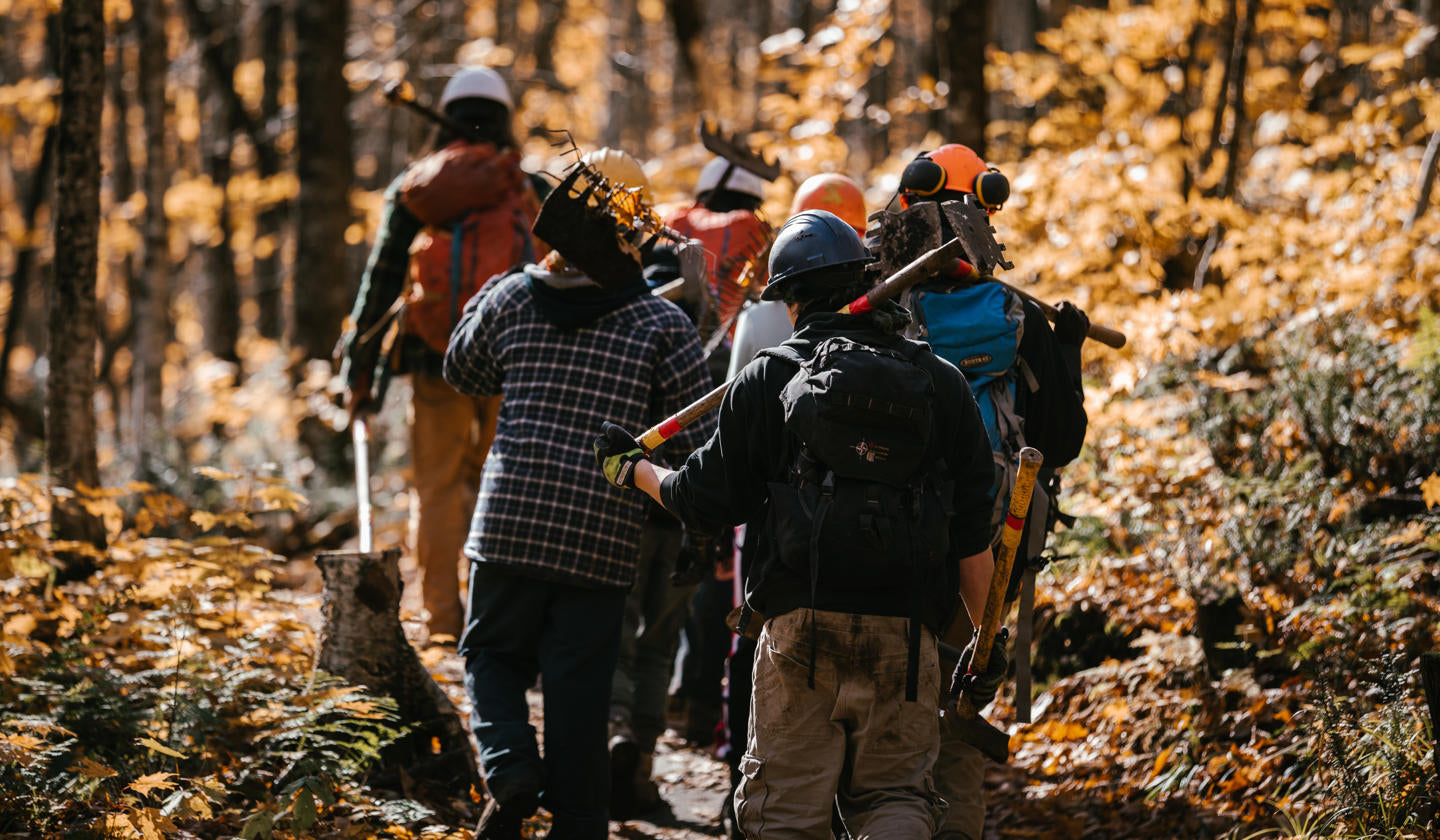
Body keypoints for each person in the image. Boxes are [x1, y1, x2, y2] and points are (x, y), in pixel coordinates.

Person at [595, 210, 1005, 839]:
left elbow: (703, 501)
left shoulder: (768, 376)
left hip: (796, 628)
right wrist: (984, 639)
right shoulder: (939, 382)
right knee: (896, 796)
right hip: (907, 632)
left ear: (791, 300)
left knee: (785, 811)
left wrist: (637, 472)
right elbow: (974, 532)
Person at [446, 147, 715, 840]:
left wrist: (493, 294)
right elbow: (694, 441)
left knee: (489, 656)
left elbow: (463, 370)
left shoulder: (511, 297)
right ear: (635, 235)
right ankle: (579, 823)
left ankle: (508, 768)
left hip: (509, 517)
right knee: (580, 696)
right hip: (600, 533)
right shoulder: (662, 326)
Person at [889, 143, 1090, 840]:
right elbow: (1059, 441)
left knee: (879, 712)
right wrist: (1069, 352)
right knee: (956, 717)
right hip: (993, 547)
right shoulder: (1018, 317)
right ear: (989, 214)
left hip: (888, 538)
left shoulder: (879, 308)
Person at [339, 66, 538, 642]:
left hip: (436, 360)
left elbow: (381, 283)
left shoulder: (418, 188)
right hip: (514, 364)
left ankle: (443, 624)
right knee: (500, 483)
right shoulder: (525, 186)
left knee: (438, 489)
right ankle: (493, 617)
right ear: (503, 117)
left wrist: (360, 373)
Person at [718, 172, 869, 839]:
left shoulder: (759, 334)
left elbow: (719, 465)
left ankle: (737, 774)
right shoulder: (917, 359)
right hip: (892, 578)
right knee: (890, 784)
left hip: (783, 564)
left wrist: (641, 476)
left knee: (782, 787)